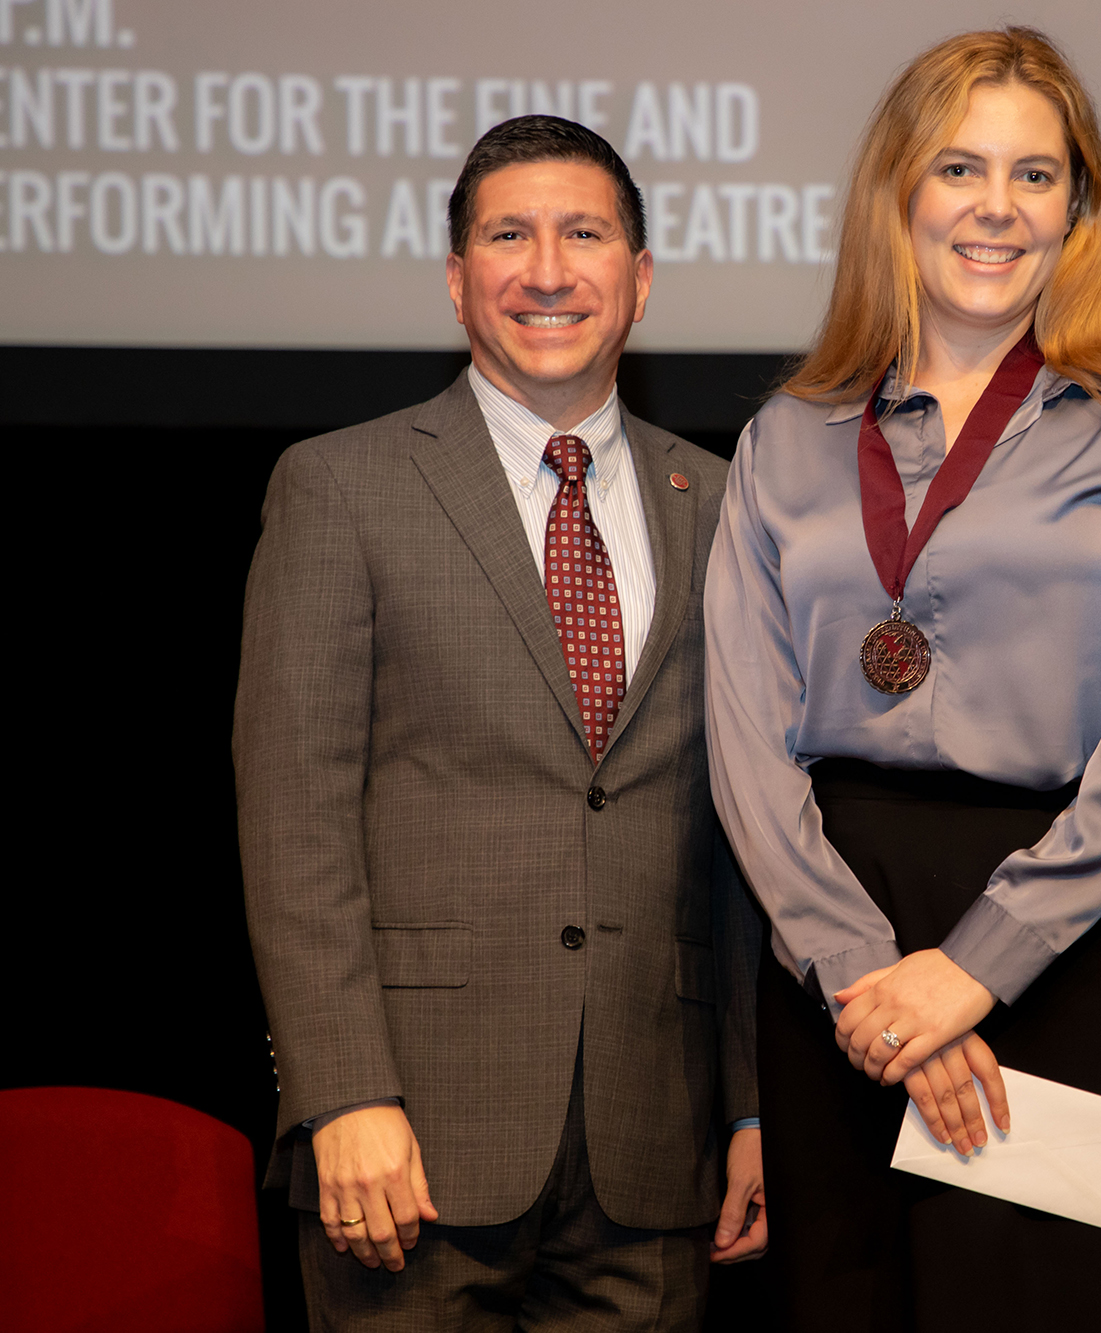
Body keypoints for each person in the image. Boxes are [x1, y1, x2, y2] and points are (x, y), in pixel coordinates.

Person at [704, 26, 1101, 1331]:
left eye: (1036, 175)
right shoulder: (786, 438)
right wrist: (866, 974)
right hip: (839, 958)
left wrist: (977, 967)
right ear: (899, 191)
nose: (996, 207)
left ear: (1079, 208)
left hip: (1079, 939)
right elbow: (743, 743)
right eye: (958, 168)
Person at [235, 115, 765, 1332]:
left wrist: (747, 1104)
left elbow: (743, 836)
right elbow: (292, 820)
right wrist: (341, 1093)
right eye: (507, 235)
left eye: (584, 234)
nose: (545, 269)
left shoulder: (725, 505)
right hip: (408, 1144)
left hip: (655, 1148)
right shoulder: (341, 486)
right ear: (456, 278)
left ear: (638, 279)